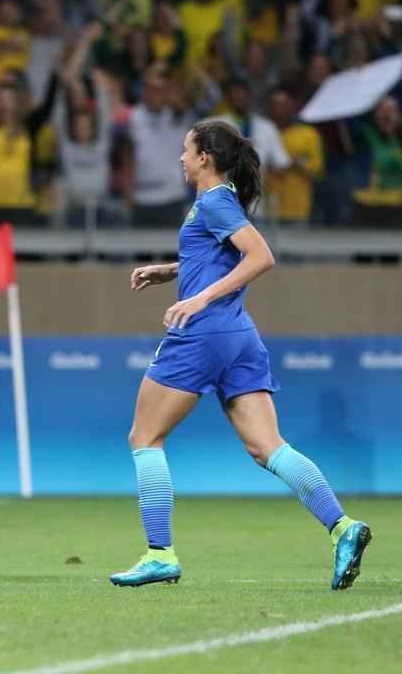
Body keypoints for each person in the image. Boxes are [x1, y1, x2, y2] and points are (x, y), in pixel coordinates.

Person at [110, 119, 371, 590]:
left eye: (186, 150)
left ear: (205, 158)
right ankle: (342, 527)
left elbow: (260, 256)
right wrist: (171, 270)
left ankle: (159, 553)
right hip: (239, 337)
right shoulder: (217, 202)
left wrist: (200, 298)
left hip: (203, 334)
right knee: (269, 447)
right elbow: (218, 256)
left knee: (145, 437)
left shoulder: (214, 201)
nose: (181, 158)